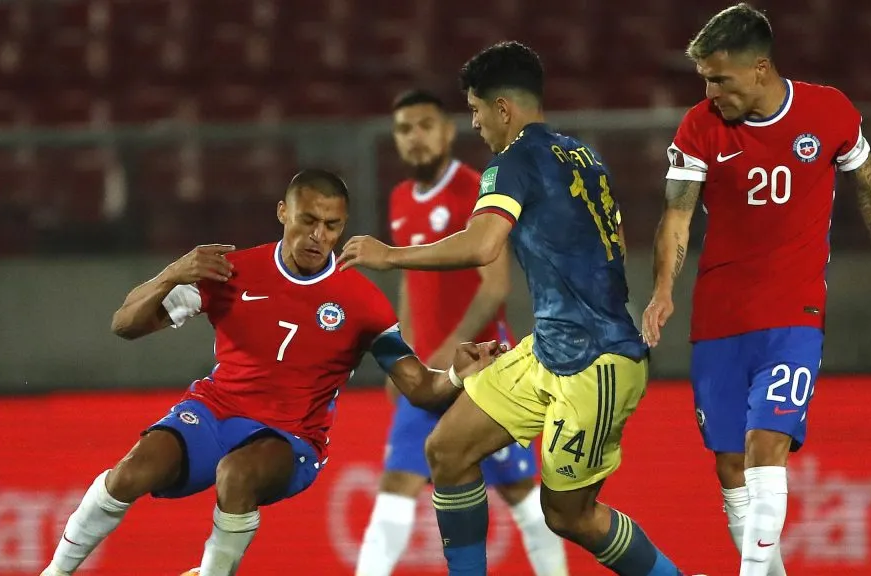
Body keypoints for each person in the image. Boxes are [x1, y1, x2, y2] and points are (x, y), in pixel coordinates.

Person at [40, 169, 503, 576]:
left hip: (291, 438)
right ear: (283, 212)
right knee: (131, 472)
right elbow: (124, 326)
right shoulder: (231, 272)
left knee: (236, 475)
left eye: (332, 226)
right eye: (308, 221)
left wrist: (458, 376)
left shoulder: (362, 303)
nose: (319, 236)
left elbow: (420, 387)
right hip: (215, 411)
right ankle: (57, 571)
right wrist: (171, 274)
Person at [341, 42, 688, 576]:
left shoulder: (513, 163)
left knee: (569, 517)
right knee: (448, 450)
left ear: (503, 108)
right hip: (548, 350)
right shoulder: (584, 155)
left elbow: (483, 247)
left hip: (597, 364)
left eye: (477, 110)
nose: (474, 123)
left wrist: (390, 256)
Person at [641, 4, 871, 576]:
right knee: (729, 465)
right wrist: (661, 290)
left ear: (760, 69)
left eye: (719, 79)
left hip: (793, 313)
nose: (710, 91)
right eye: (705, 80)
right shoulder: (699, 126)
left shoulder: (829, 111)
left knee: (765, 448)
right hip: (720, 313)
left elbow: (870, 190)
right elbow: (676, 216)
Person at [355, 89, 568, 576]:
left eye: (425, 125)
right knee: (395, 488)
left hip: (483, 368)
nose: (415, 137)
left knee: (523, 497)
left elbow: (495, 287)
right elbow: (412, 283)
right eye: (405, 129)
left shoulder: (477, 189)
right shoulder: (401, 198)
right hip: (430, 371)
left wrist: (449, 354)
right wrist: (403, 358)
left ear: (448, 131)